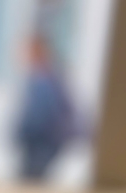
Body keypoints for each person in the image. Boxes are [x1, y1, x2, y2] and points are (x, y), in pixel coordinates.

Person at [14, 35, 78, 180]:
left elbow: (40, 115)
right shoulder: (51, 76)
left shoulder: (45, 79)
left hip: (40, 143)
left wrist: (22, 135)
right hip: (43, 143)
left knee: (31, 181)